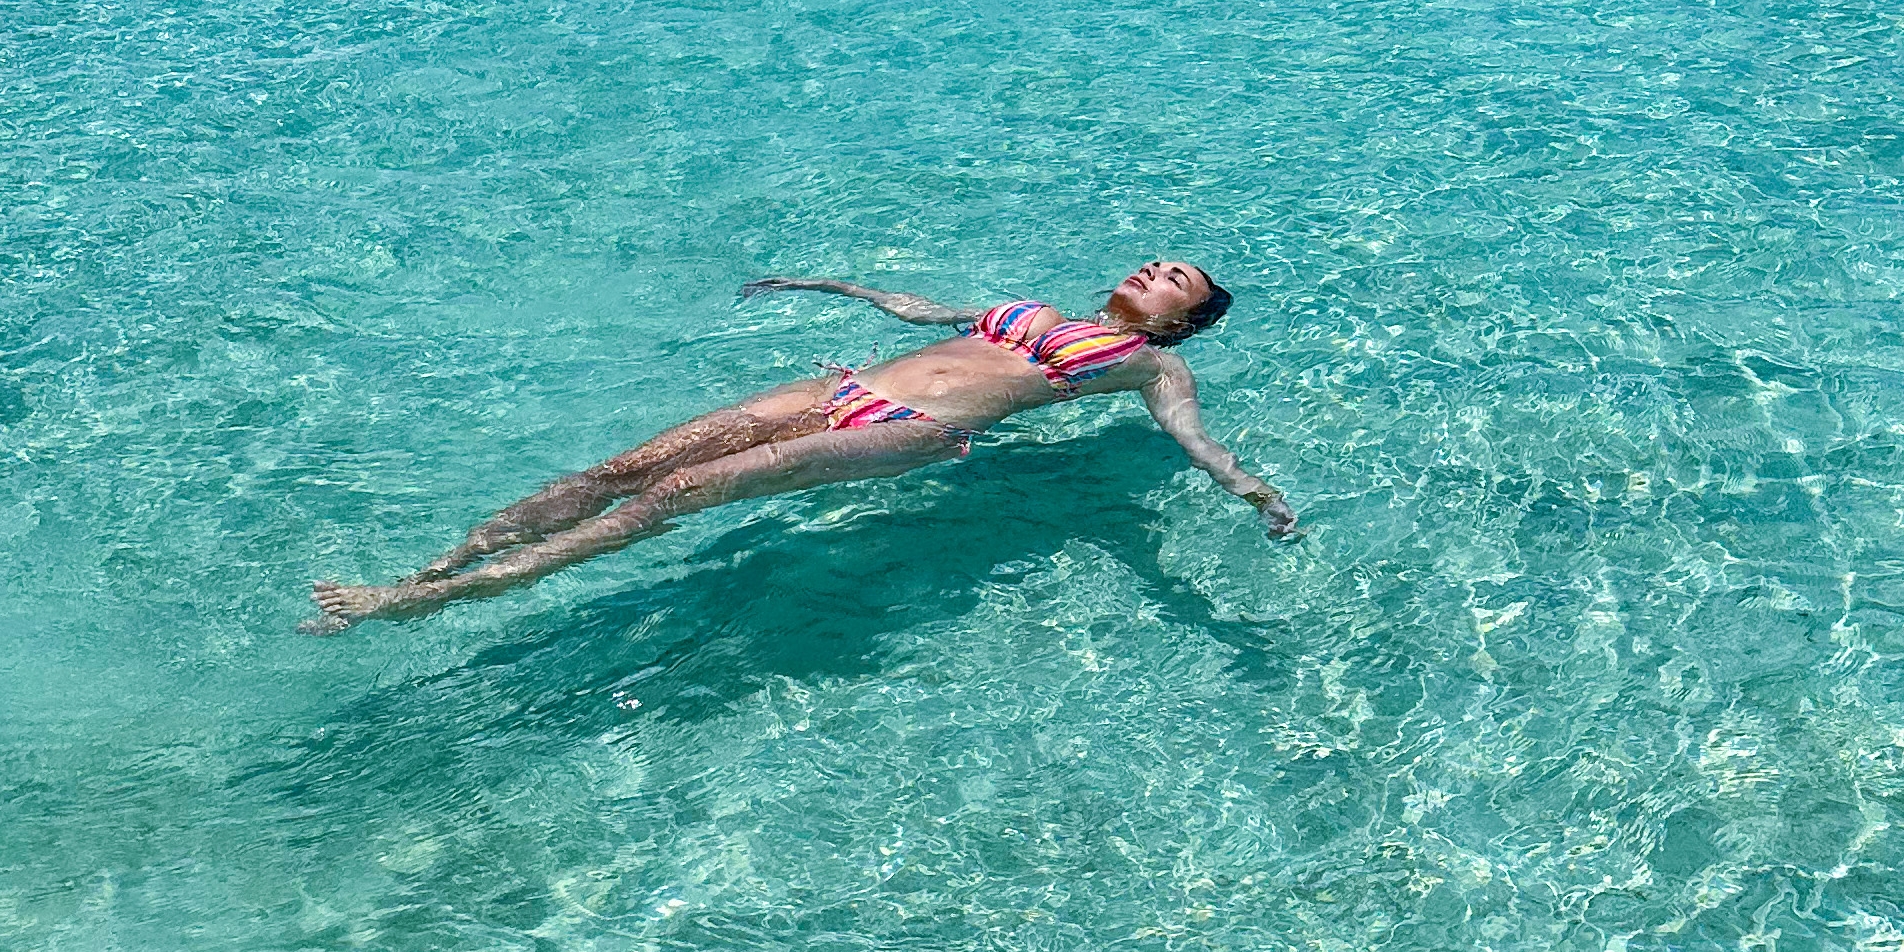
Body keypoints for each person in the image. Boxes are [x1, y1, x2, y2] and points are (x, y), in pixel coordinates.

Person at [301, 259, 1294, 630]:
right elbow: (929, 313)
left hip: (911, 430)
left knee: (672, 497)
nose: (1153, 270)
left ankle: (423, 601)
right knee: (623, 469)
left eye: (1175, 279)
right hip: (842, 386)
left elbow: (1197, 443)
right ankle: (436, 565)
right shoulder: (1034, 309)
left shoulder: (1150, 366)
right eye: (1156, 261)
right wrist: (835, 287)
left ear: (1181, 321)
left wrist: (1254, 494)